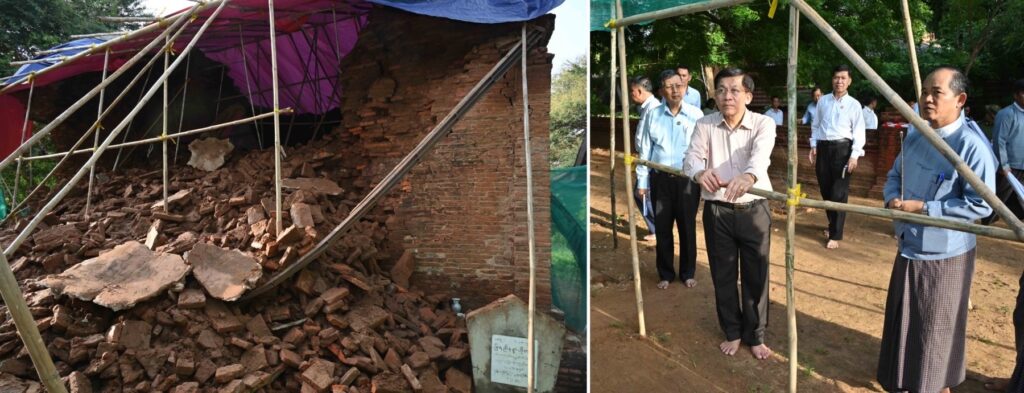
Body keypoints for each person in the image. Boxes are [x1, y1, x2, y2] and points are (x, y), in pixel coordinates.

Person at [878, 66, 996, 393]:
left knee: (935, 329)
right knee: (905, 323)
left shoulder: (972, 146)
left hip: (944, 255)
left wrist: (926, 209)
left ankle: (935, 385)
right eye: (924, 92)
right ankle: (905, 382)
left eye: (936, 93)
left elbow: (981, 205)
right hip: (908, 244)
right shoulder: (918, 133)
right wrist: (892, 201)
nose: (927, 99)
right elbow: (893, 176)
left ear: (960, 100)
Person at [683, 67, 776, 360]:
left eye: (735, 90)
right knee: (723, 275)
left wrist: (749, 177)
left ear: (748, 95)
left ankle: (756, 335)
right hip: (717, 212)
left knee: (756, 275)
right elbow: (691, 158)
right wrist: (699, 172)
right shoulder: (705, 124)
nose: (727, 96)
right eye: (721, 90)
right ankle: (733, 332)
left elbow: (760, 156)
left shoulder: (764, 124)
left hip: (754, 210)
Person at [636, 70, 705, 290]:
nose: (675, 90)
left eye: (679, 84)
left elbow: (704, 149)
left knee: (687, 227)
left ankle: (688, 272)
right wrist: (642, 182)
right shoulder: (653, 115)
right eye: (669, 86)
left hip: (687, 180)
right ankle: (665, 273)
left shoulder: (697, 115)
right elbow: (645, 150)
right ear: (661, 91)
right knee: (663, 228)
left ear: (685, 86)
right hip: (660, 180)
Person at [809, 65, 866, 249]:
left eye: (843, 78)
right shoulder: (823, 101)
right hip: (823, 149)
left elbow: (859, 131)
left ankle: (835, 235)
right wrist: (813, 146)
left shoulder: (854, 105)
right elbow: (816, 125)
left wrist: (854, 155)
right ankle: (832, 225)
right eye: (836, 77)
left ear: (849, 81)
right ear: (832, 80)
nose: (839, 81)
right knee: (825, 190)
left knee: (838, 193)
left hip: (843, 150)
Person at [982, 79, 1024, 224]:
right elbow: (999, 141)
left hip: (1023, 164)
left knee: (1020, 196)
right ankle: (987, 222)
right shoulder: (1006, 114)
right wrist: (1004, 165)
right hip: (1010, 166)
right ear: (1016, 95)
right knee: (1000, 195)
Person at [629, 76, 660, 241]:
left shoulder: (653, 109)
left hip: (649, 160)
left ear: (640, 90)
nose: (631, 94)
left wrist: (643, 164)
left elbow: (649, 141)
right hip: (644, 158)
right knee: (642, 194)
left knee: (643, 194)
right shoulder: (647, 108)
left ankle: (657, 228)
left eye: (632, 91)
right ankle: (656, 227)